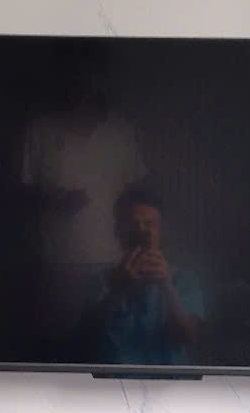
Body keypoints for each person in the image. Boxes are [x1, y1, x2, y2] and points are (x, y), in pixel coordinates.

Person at [21, 71, 146, 343]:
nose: (84, 84)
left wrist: (137, 252)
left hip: (114, 263)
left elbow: (140, 196)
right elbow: (23, 194)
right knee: (60, 347)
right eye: (75, 72)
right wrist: (54, 200)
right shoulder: (40, 129)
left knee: (112, 344)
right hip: (58, 264)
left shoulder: (121, 132)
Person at [86, 185, 204, 366]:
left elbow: (190, 339)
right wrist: (118, 290)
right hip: (116, 381)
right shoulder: (100, 280)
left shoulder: (185, 279)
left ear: (160, 231)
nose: (140, 232)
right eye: (132, 226)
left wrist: (168, 288)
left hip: (170, 381)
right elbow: (86, 340)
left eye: (149, 225)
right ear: (118, 231)